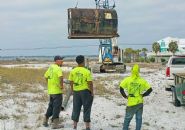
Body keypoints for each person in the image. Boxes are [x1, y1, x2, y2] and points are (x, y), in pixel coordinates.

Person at [119, 64, 152, 130]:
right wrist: (143, 95)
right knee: (139, 118)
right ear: (138, 71)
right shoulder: (142, 80)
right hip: (140, 102)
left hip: (131, 102)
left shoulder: (127, 79)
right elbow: (150, 89)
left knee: (127, 119)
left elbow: (121, 88)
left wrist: (125, 96)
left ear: (131, 71)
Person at [68, 55, 94, 130]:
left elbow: (71, 81)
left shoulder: (73, 71)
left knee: (76, 108)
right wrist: (92, 92)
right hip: (85, 92)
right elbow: (90, 83)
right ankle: (87, 126)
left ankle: (75, 125)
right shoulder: (86, 71)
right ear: (83, 61)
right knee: (87, 108)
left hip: (76, 92)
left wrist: (73, 90)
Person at [43, 55, 64, 129]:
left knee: (51, 106)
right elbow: (61, 77)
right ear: (56, 61)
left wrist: (50, 84)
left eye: (62, 60)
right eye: (61, 60)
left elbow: (45, 76)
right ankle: (55, 124)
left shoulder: (51, 67)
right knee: (57, 107)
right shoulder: (58, 68)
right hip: (57, 91)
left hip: (51, 91)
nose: (62, 61)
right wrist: (61, 86)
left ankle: (45, 120)